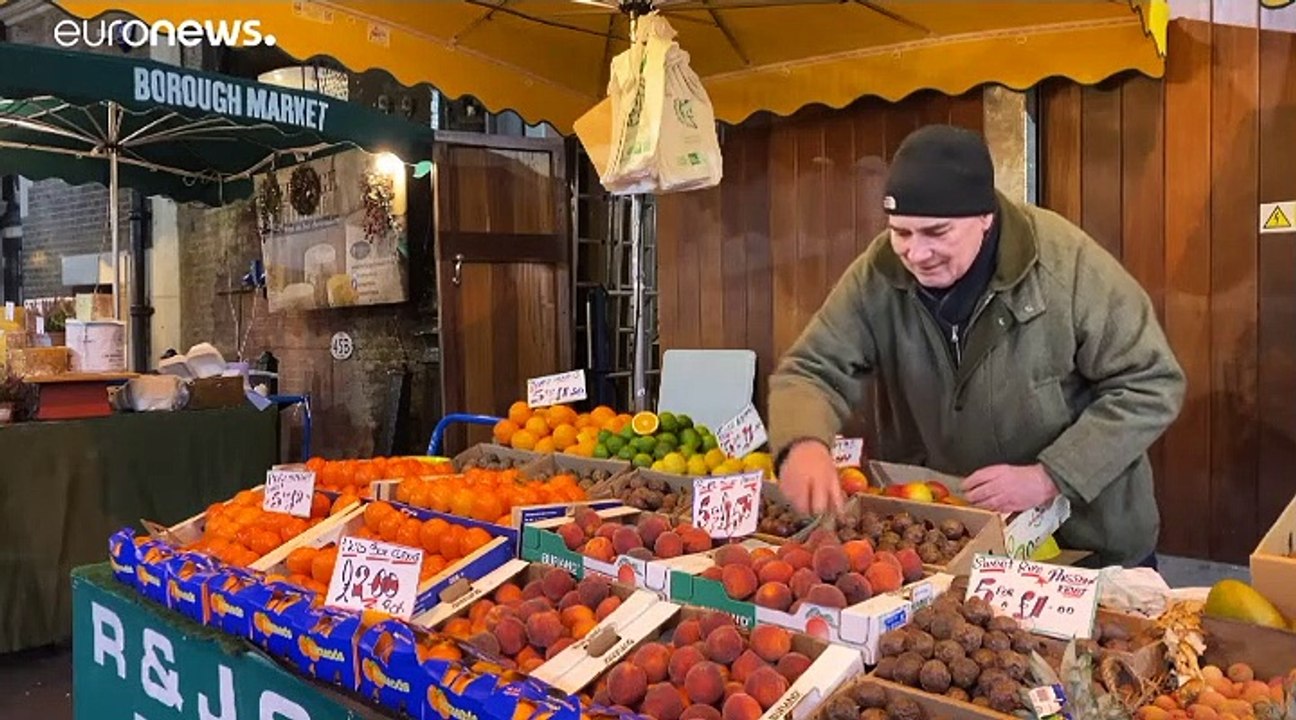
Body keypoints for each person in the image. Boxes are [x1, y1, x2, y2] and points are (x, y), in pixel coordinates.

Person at [768, 124, 1185, 568]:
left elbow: (1151, 383)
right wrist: (802, 442)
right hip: (954, 538)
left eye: (937, 232)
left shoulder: (1068, 266)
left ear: (985, 218)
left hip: (1087, 540)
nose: (916, 253)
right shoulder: (880, 272)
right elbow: (812, 368)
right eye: (901, 232)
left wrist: (1052, 475)